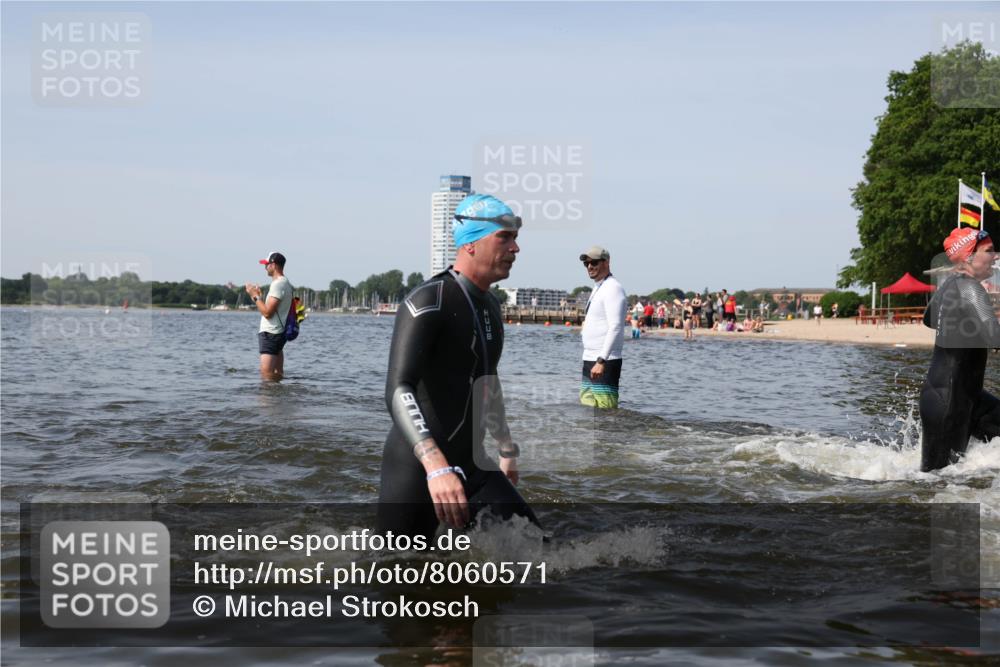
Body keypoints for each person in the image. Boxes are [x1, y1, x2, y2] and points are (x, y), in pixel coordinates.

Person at [377, 194, 537, 537]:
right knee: (400, 573)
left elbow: (487, 382)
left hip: (473, 464)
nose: (515, 249)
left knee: (540, 548)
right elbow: (398, 387)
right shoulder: (428, 301)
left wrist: (506, 448)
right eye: (504, 237)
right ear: (471, 244)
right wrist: (436, 467)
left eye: (515, 238)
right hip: (417, 470)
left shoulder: (491, 306)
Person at [919, 227, 1000, 472]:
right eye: (989, 251)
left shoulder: (950, 284)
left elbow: (929, 319)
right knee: (937, 482)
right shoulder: (969, 289)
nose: (996, 256)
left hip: (968, 396)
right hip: (949, 403)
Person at [580, 245, 627, 409]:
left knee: (606, 411)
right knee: (587, 409)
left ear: (606, 262)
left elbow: (616, 326)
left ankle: (610, 436)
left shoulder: (613, 288)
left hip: (604, 360)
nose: (590, 267)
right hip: (589, 357)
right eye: (586, 264)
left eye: (594, 262)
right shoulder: (598, 287)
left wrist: (602, 360)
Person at [245, 251, 293, 381]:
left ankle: (267, 401)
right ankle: (277, 400)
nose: (265, 267)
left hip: (271, 334)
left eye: (267, 264)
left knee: (266, 375)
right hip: (277, 333)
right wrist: (259, 297)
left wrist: (254, 295)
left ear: (274, 265)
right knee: (277, 374)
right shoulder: (284, 283)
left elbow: (267, 313)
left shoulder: (278, 284)